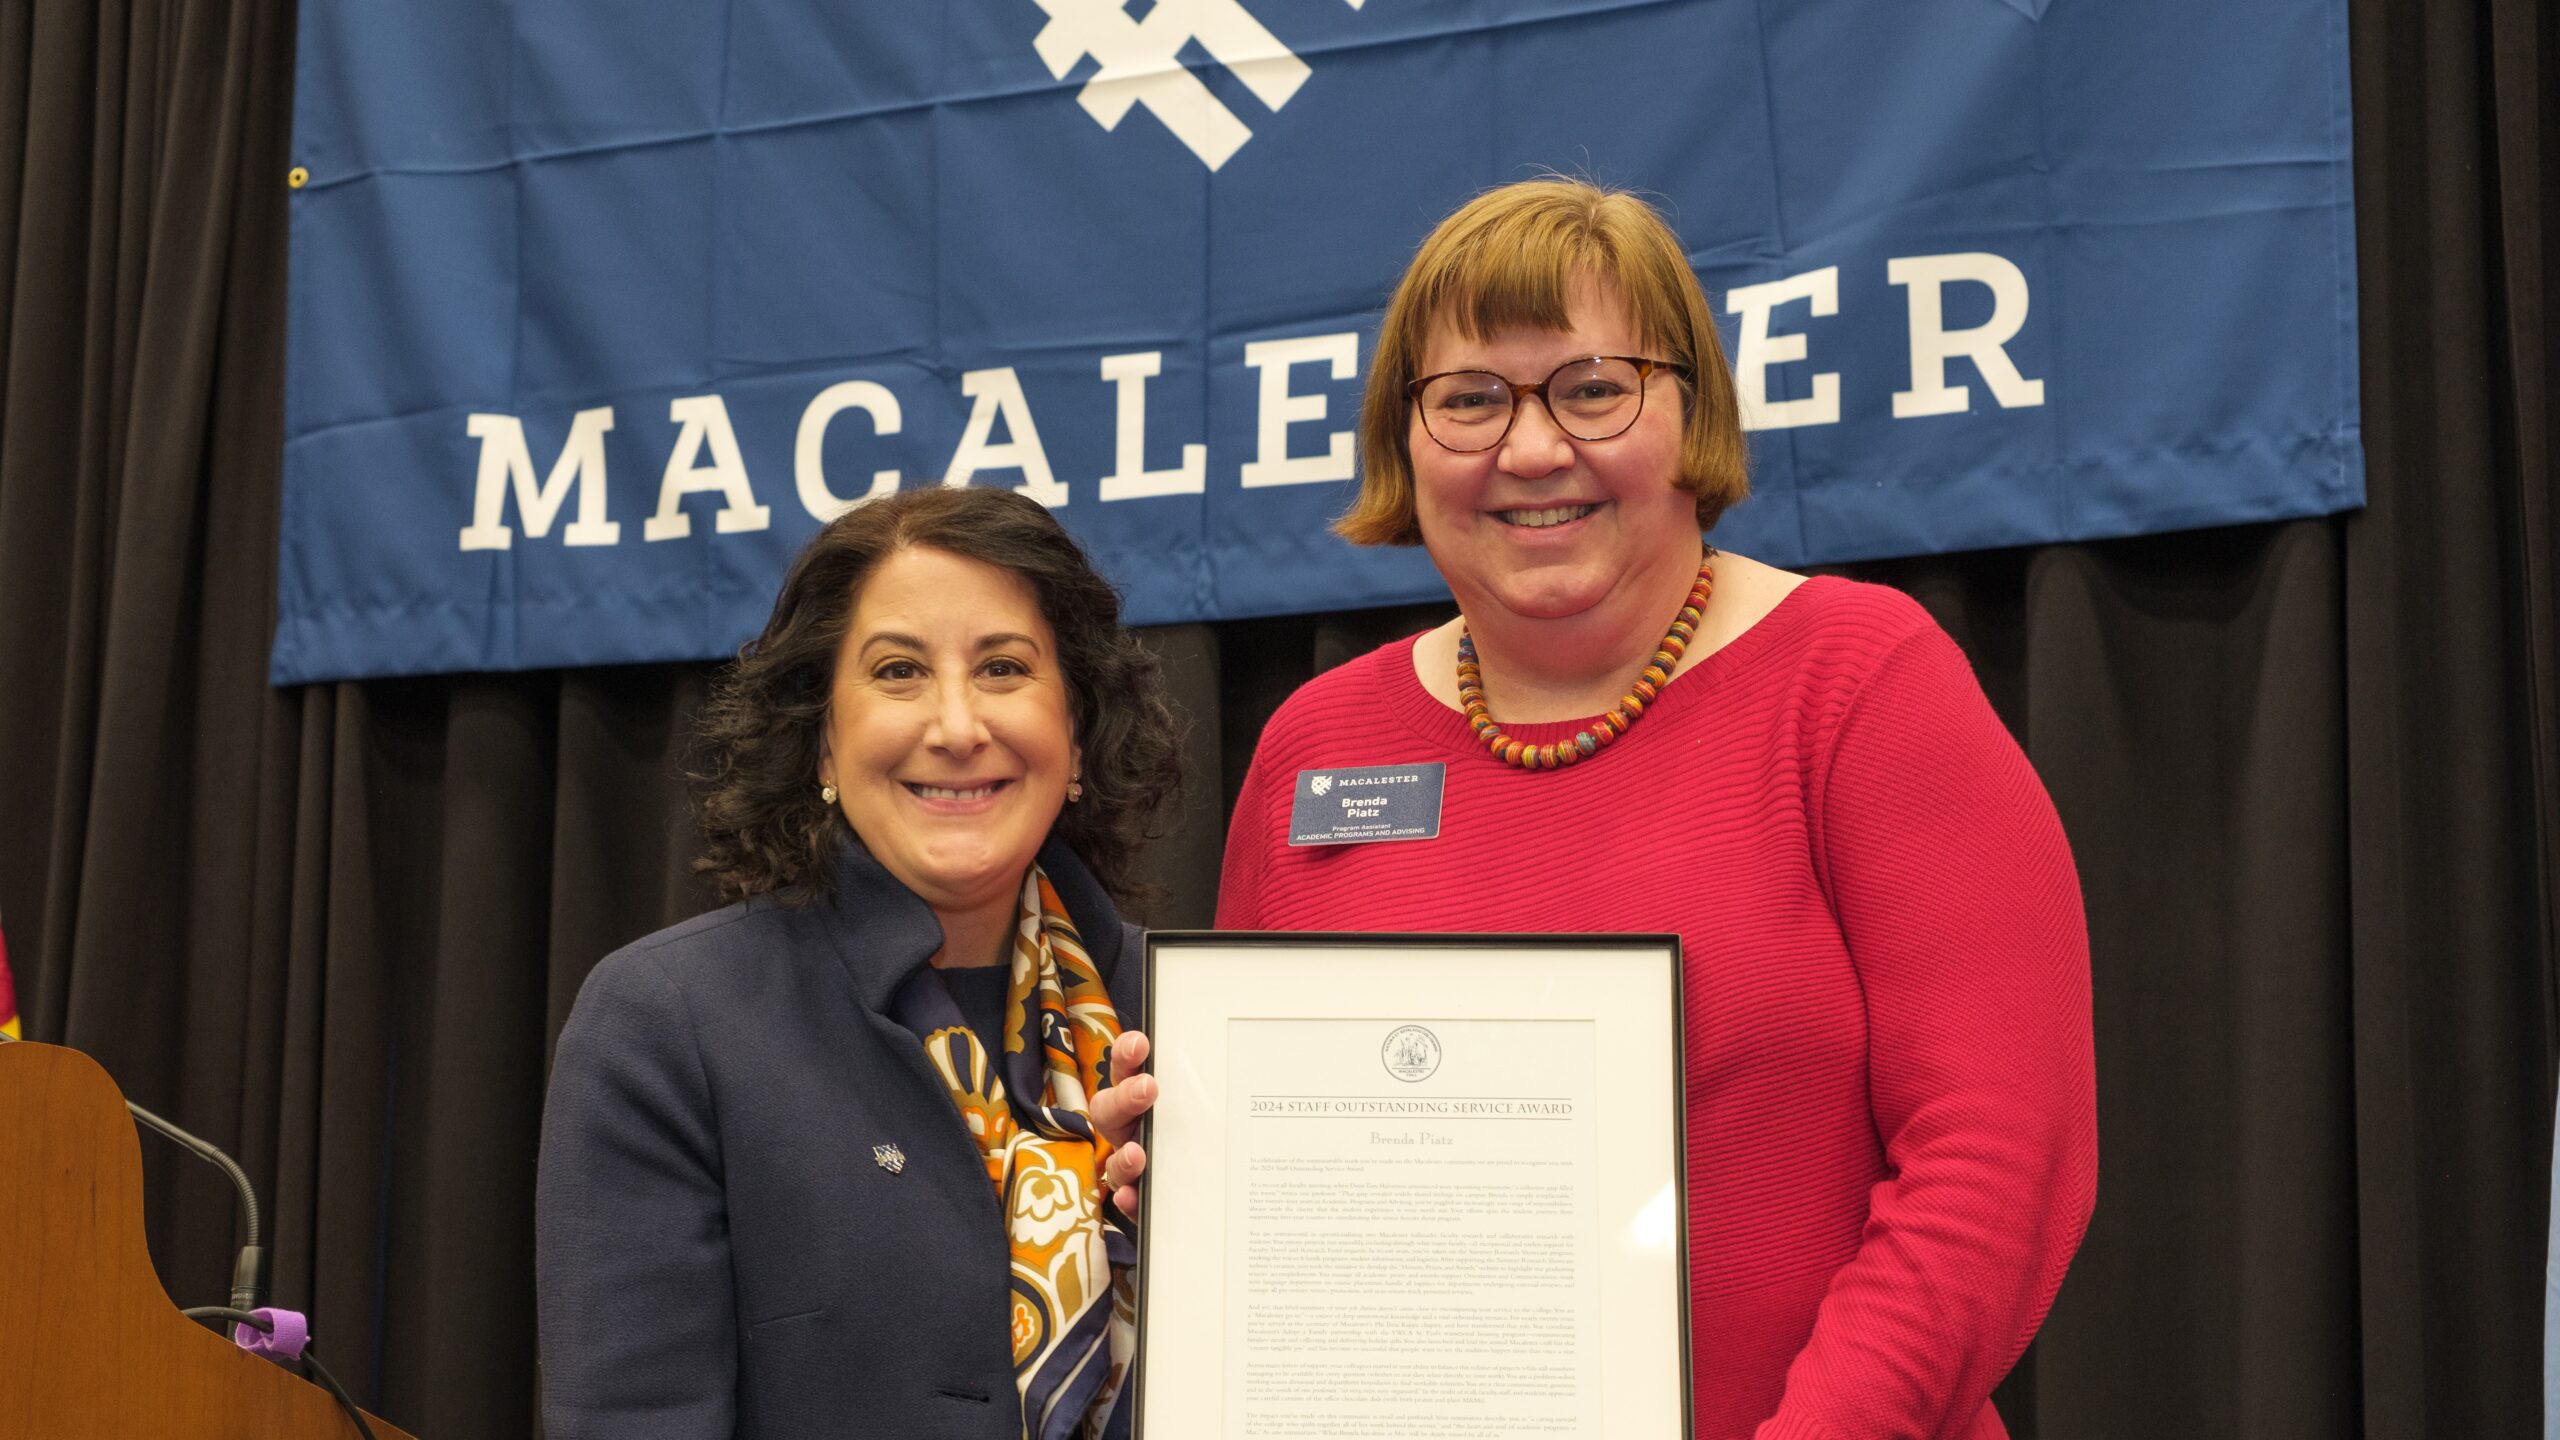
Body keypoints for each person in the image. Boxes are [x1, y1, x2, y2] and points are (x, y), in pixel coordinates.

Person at [1189, 179, 2098, 1438]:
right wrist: (1186, 1170)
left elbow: (1993, 1160)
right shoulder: (1317, 748)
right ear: (1404, 441)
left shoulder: (1859, 681)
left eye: (1591, 388)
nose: (1530, 449)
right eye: (1468, 400)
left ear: (1690, 414)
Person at [536, 486, 1178, 1440]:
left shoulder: (1187, 1023)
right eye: (898, 672)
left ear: (1076, 736)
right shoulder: (665, 1024)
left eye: (1004, 667)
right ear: (824, 740)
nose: (958, 726)